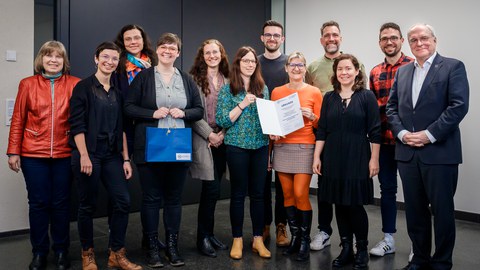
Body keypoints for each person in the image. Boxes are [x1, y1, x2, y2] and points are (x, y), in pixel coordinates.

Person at [386, 24, 469, 270]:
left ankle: (442, 262)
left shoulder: (453, 67)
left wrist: (428, 135)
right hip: (408, 154)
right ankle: (420, 259)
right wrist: (401, 133)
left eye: (424, 38)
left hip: (440, 153)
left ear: (434, 40)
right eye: (413, 39)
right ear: (408, 44)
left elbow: (458, 106)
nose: (419, 42)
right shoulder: (402, 72)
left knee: (442, 212)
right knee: (414, 210)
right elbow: (391, 108)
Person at [124, 33, 203, 267]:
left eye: (173, 48)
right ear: (157, 51)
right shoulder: (144, 78)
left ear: (178, 53)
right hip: (150, 147)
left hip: (178, 147)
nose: (168, 51)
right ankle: (152, 249)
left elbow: (198, 110)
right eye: (164, 47)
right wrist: (151, 113)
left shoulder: (187, 79)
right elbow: (128, 107)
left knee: (173, 199)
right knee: (150, 199)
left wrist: (185, 113)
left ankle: (172, 246)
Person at [7, 41, 80, 270]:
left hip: (64, 152)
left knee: (61, 204)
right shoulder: (27, 84)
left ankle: (61, 251)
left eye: (58, 56)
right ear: (41, 59)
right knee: (38, 203)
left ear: (64, 61)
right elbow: (18, 118)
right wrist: (13, 151)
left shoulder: (75, 84)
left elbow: (80, 120)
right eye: (49, 56)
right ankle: (39, 252)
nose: (53, 60)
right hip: (32, 154)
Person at [69, 41, 141, 270]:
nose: (109, 62)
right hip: (88, 154)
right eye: (105, 57)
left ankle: (116, 254)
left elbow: (122, 129)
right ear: (96, 58)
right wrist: (83, 155)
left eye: (114, 58)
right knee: (87, 206)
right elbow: (76, 125)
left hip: (111, 156)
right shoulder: (83, 87)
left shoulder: (118, 94)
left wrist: (126, 158)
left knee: (123, 201)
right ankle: (87, 254)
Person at [312, 54, 381, 270]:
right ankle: (345, 248)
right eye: (340, 69)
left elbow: (376, 131)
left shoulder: (367, 96)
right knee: (339, 204)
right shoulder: (330, 98)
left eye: (348, 68)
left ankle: (361, 249)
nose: (344, 72)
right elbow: (322, 129)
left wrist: (374, 159)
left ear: (357, 71)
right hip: (332, 156)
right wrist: (316, 157)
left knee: (354, 205)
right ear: (335, 73)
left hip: (358, 155)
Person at [216, 46, 271, 260]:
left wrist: (273, 130)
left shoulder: (262, 87)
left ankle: (258, 239)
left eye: (252, 61)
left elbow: (266, 117)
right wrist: (242, 104)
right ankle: (237, 239)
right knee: (238, 195)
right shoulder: (228, 88)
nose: (250, 64)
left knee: (258, 194)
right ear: (237, 63)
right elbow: (221, 120)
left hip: (260, 145)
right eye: (245, 60)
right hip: (236, 146)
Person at [270, 52, 323, 261]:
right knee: (288, 195)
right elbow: (273, 124)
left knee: (301, 193)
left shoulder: (314, 92)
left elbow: (321, 124)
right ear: (286, 68)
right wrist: (270, 149)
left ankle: (304, 240)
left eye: (300, 65)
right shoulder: (277, 92)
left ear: (305, 68)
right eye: (293, 64)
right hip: (282, 147)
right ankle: (295, 237)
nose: (296, 68)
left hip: (304, 147)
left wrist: (313, 116)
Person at [368, 22, 414, 257]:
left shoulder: (415, 66)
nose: (389, 42)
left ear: (401, 41)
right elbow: (373, 114)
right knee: (387, 191)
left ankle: (418, 245)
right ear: (380, 43)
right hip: (385, 143)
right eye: (385, 38)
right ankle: (388, 239)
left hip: (410, 143)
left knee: (416, 194)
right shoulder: (375, 72)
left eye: (394, 37)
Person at [189, 39, 230, 258]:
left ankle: (210, 234)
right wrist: (210, 135)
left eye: (215, 52)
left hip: (223, 139)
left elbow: (234, 110)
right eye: (208, 52)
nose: (212, 55)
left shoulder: (228, 79)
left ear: (221, 54)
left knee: (215, 191)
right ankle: (202, 238)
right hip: (204, 139)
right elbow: (193, 112)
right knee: (210, 189)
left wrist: (222, 133)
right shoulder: (194, 79)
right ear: (202, 56)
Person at [257, 20, 289, 246]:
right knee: (261, 183)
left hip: (284, 131)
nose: (272, 38)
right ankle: (264, 224)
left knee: (282, 182)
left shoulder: (290, 63)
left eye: (276, 35)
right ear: (262, 38)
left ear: (282, 39)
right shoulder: (254, 62)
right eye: (268, 35)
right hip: (257, 131)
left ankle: (281, 226)